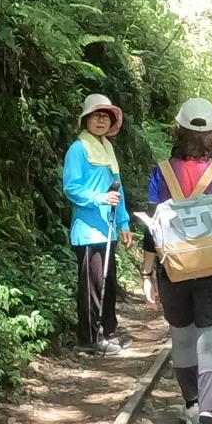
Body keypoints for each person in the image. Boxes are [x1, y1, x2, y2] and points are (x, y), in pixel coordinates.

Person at [138, 98, 212, 424]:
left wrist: (146, 273)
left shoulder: (162, 173)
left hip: (173, 270)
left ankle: (190, 404)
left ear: (179, 130)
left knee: (183, 338)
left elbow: (152, 230)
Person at [62, 93, 132, 354]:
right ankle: (89, 338)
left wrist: (124, 222)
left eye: (106, 116)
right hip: (88, 231)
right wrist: (99, 198)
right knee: (93, 286)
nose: (101, 120)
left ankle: (107, 331)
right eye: (96, 116)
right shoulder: (78, 149)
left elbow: (117, 188)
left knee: (108, 283)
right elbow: (71, 188)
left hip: (109, 228)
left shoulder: (107, 149)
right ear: (86, 120)